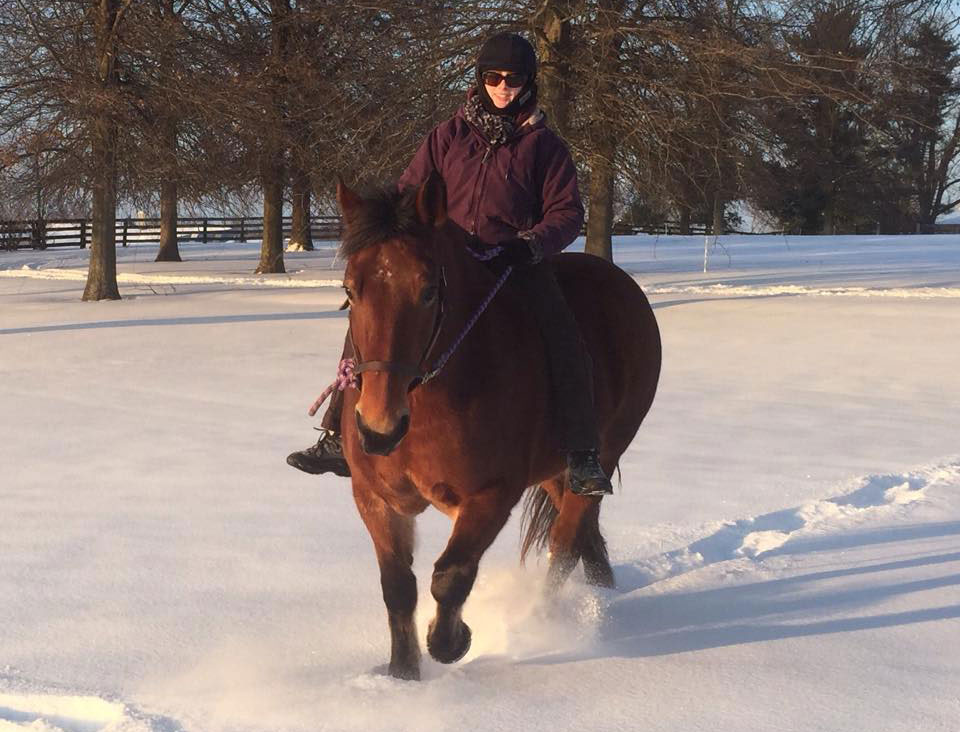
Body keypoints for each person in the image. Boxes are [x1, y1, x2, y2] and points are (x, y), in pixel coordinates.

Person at [286, 32, 612, 496]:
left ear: (528, 82)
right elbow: (408, 191)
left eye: (513, 79)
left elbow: (567, 212)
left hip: (513, 262)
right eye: (493, 77)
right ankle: (340, 433)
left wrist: (532, 243)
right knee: (369, 314)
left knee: (562, 334)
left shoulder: (545, 147)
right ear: (479, 80)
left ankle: (581, 453)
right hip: (448, 261)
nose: (503, 87)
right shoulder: (448, 136)